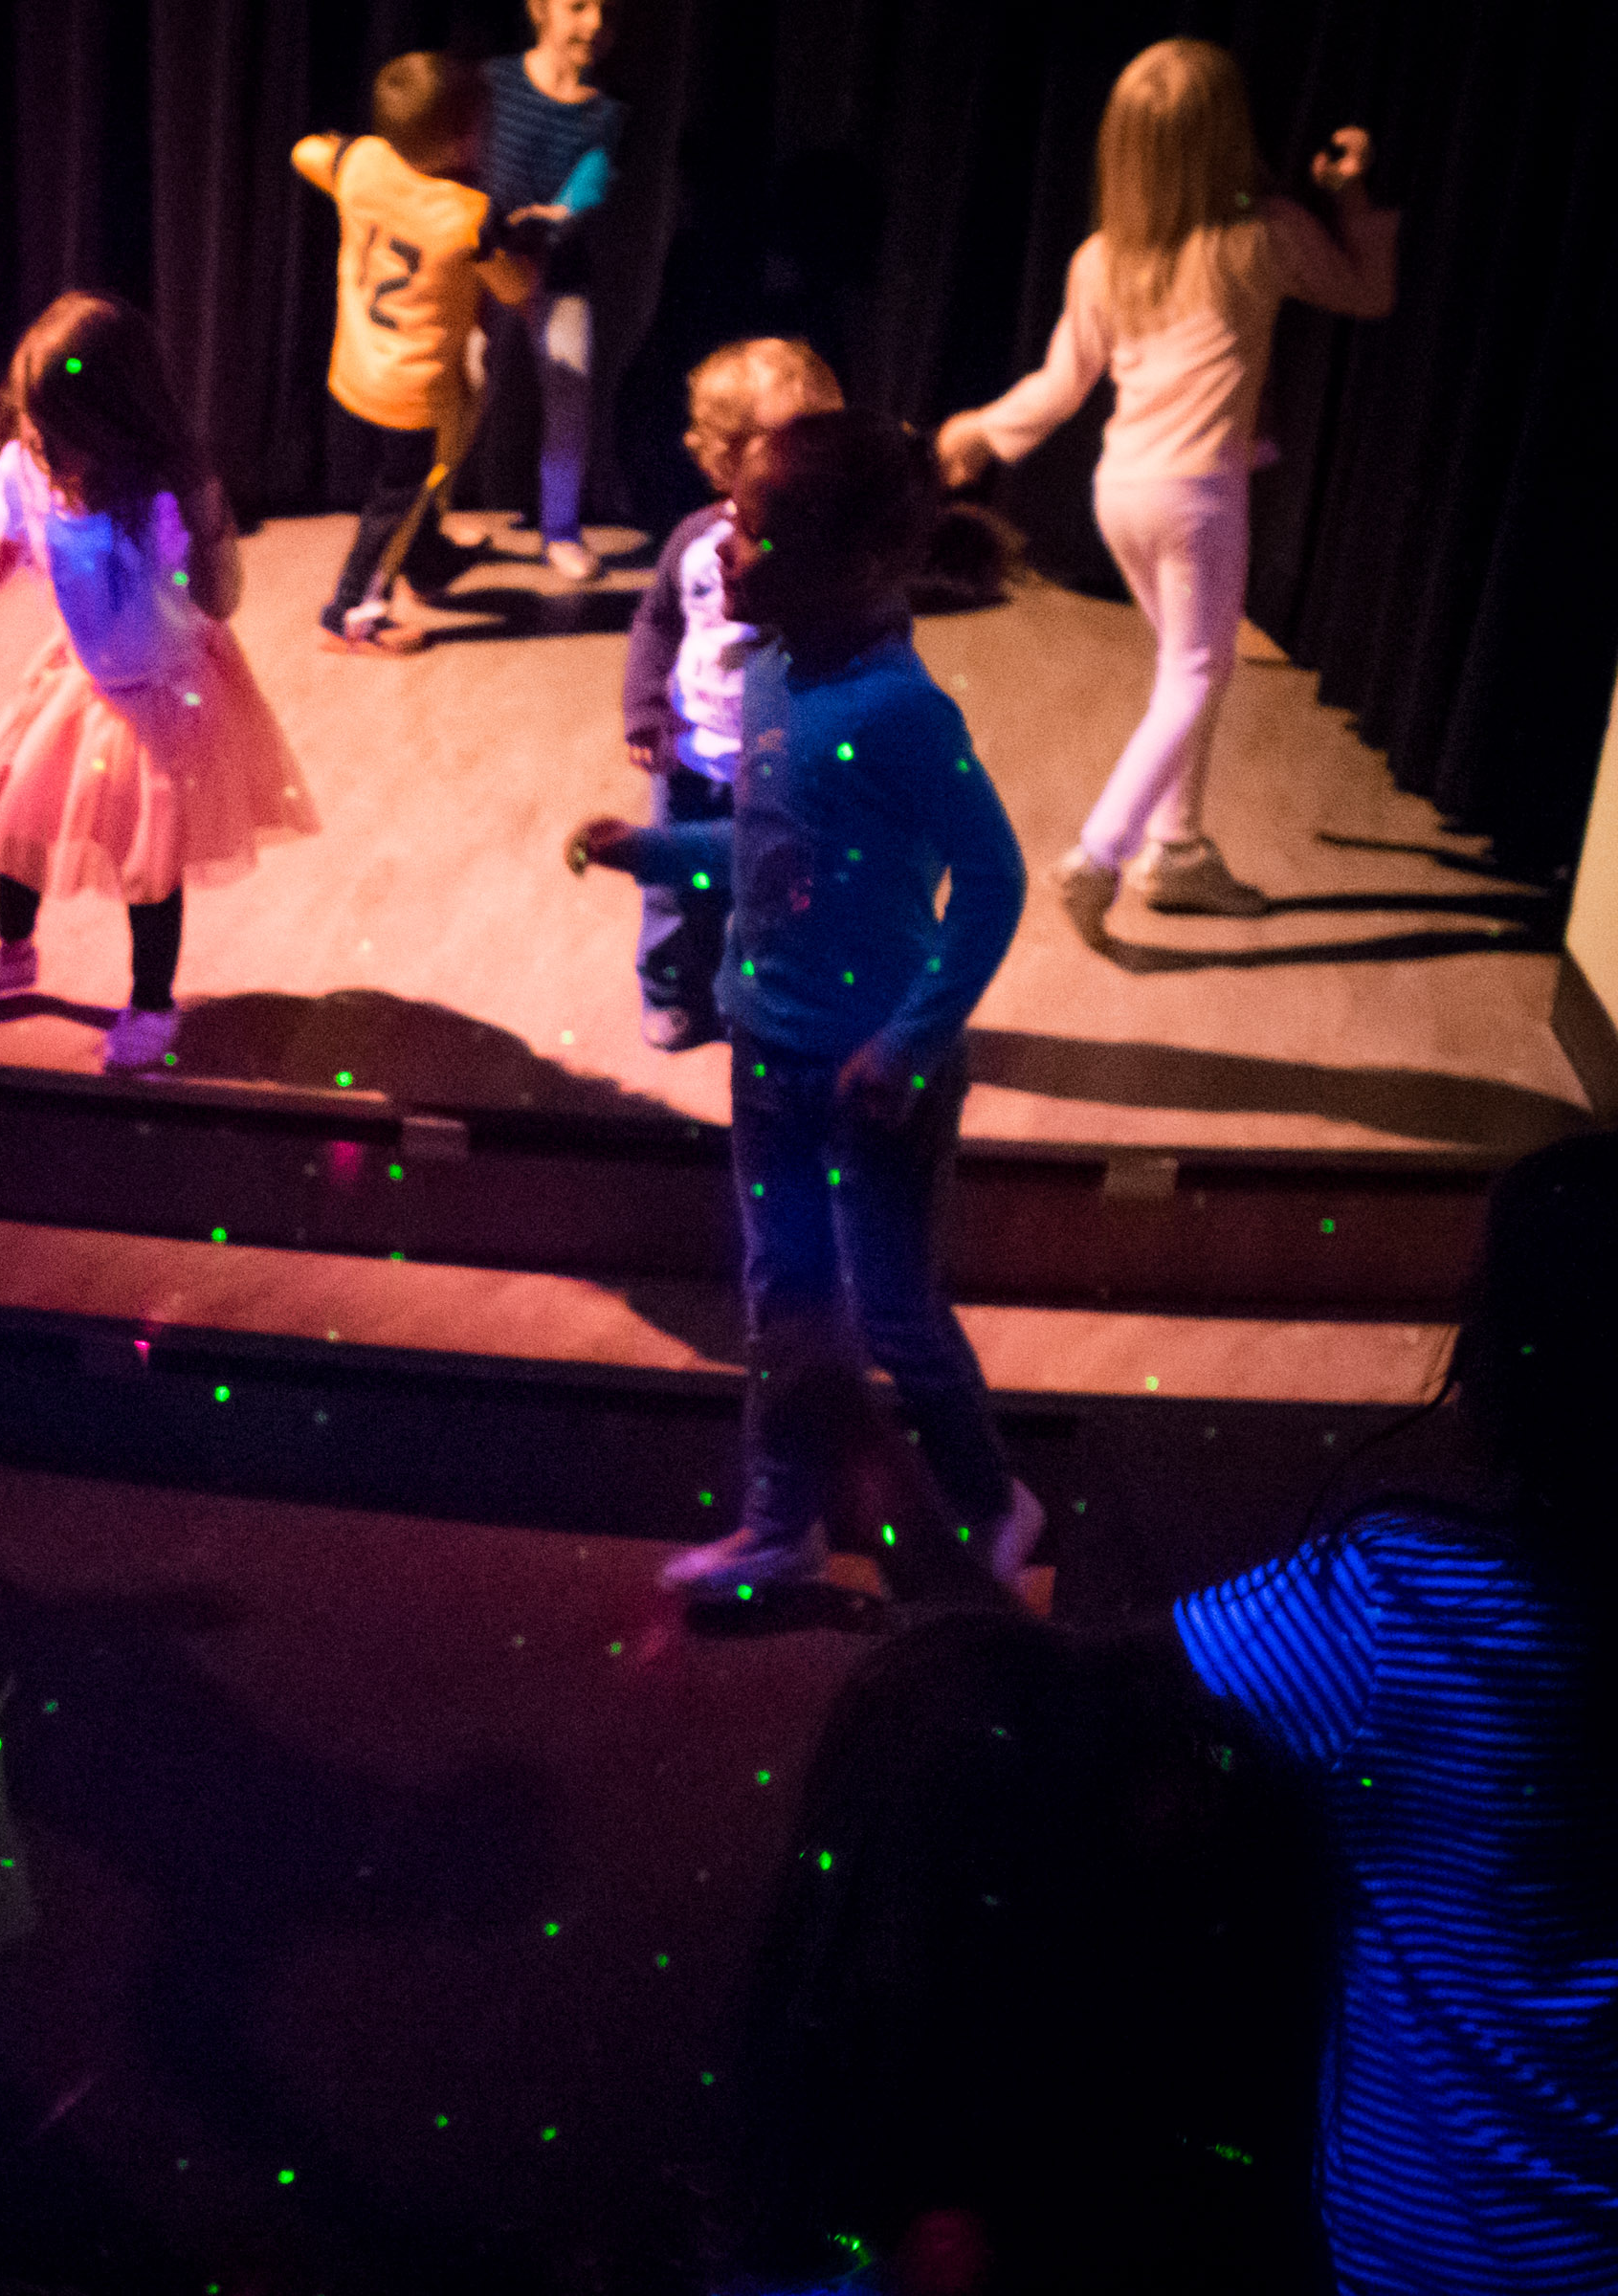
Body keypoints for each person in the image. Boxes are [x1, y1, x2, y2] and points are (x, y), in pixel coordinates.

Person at [565, 409, 1040, 1596]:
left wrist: (910, 1043)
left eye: (758, 534)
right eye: (729, 520)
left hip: (878, 1083)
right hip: (768, 1051)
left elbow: (994, 881)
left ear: (857, 563)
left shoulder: (899, 713)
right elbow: (777, 849)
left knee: (889, 1313)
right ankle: (781, 1529)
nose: (725, 551)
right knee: (784, 1301)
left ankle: (994, 1500)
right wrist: (659, 852)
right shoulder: (771, 668)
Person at [1171, 1130, 1618, 2294]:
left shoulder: (1397, 1602)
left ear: (1502, 1366)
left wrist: (918, 1514)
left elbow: (1082, 1707)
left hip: (1434, 2264)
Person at [937, 39, 1395, 941]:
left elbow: (1059, 389)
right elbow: (1367, 295)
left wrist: (979, 428)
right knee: (1195, 672)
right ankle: (1104, 851)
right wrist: (1349, 193)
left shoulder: (1103, 257)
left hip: (1121, 493)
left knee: (1186, 670)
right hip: (1197, 501)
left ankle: (1178, 848)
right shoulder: (1266, 235)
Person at [0, 293, 317, 1074]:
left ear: (119, 422)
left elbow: (219, 602)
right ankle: (13, 952)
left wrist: (203, 515)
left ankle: (151, 1000)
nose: (45, 450)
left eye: (64, 434)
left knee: (146, 857)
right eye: (34, 427)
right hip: (80, 682)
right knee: (18, 809)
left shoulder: (160, 499)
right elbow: (3, 545)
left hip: (164, 697)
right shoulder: (27, 467)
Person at [618, 338, 843, 1051]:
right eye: (785, 446)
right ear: (722, 456)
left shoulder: (829, 550)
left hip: (781, 763)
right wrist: (647, 711)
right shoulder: (693, 540)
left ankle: (763, 995)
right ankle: (673, 988)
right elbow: (656, 624)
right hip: (690, 752)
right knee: (678, 884)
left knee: (774, 890)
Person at [291, 50, 537, 649]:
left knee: (421, 483)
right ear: (458, 141)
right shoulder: (466, 216)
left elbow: (305, 151)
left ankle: (425, 565)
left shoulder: (358, 161)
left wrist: (344, 147)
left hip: (356, 369)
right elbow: (516, 289)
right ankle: (352, 614)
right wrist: (516, 245)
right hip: (417, 394)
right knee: (401, 500)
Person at [478, 0, 627, 583]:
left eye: (605, 12)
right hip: (484, 267)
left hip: (559, 273)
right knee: (462, 392)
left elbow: (587, 186)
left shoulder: (605, 115)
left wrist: (562, 213)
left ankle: (560, 530)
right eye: (577, 6)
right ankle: (424, 524)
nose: (593, 25)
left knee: (570, 398)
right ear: (538, 8)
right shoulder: (496, 83)